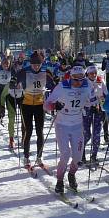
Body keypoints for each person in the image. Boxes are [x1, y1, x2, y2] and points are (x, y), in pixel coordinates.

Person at [45, 65, 94, 194]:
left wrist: (95, 103)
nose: (78, 82)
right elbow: (46, 104)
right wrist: (55, 105)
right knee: (65, 155)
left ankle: (71, 174)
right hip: (62, 124)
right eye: (76, 79)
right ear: (70, 77)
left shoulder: (87, 85)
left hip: (77, 125)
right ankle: (59, 181)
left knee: (78, 157)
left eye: (81, 79)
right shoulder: (62, 86)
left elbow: (92, 100)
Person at [12, 52, 54, 168]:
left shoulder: (46, 72)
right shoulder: (24, 71)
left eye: (38, 64)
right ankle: (26, 157)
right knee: (28, 130)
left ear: (42, 63)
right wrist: (14, 84)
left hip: (40, 104)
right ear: (30, 63)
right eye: (34, 64)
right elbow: (14, 80)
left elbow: (54, 84)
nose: (36, 66)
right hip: (26, 104)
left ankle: (39, 157)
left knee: (40, 131)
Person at [81, 64, 107, 165]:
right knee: (86, 134)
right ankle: (82, 155)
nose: (94, 75)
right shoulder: (83, 82)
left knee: (96, 133)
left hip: (98, 109)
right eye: (91, 73)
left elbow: (106, 94)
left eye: (95, 73)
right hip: (86, 109)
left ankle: (94, 156)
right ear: (87, 74)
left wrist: (105, 103)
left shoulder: (100, 80)